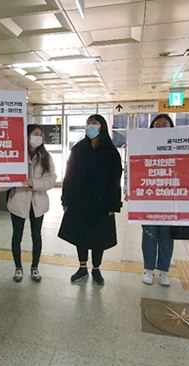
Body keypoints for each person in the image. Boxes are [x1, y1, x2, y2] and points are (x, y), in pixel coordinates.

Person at [58, 114, 122, 286]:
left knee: (99, 236)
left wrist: (113, 205)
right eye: (88, 123)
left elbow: (115, 180)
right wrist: (66, 199)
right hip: (80, 200)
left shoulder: (111, 151)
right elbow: (69, 175)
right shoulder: (79, 149)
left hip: (102, 202)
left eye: (94, 123)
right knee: (81, 235)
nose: (90, 126)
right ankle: (82, 267)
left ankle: (96, 268)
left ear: (102, 126)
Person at [0, 124, 55, 282]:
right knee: (17, 236)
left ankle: (35, 267)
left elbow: (50, 180)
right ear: (26, 135)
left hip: (38, 203)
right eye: (35, 133)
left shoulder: (46, 157)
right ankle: (18, 268)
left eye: (41, 134)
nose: (39, 137)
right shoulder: (16, 155)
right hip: (19, 201)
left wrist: (33, 183)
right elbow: (10, 178)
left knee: (36, 236)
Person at [142, 114, 175, 286]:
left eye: (165, 124)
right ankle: (148, 269)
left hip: (170, 200)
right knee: (149, 235)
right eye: (157, 124)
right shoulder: (144, 146)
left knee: (166, 237)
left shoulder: (179, 147)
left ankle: (164, 271)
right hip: (149, 199)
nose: (161, 127)